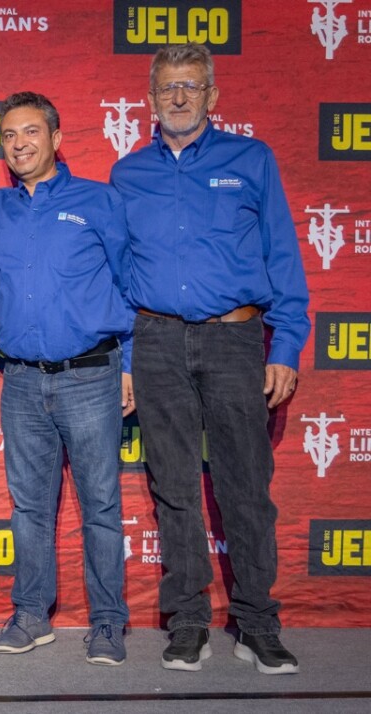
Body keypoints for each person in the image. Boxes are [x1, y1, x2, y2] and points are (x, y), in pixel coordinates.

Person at [110, 43, 309, 675]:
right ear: (151, 96)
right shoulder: (127, 174)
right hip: (158, 340)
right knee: (173, 488)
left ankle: (257, 623)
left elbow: (284, 259)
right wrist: (126, 359)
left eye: (190, 87)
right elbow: (117, 275)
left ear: (212, 96)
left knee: (245, 485)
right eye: (167, 87)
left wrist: (285, 344)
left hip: (235, 340)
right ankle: (188, 622)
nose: (177, 97)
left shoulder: (251, 160)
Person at [0, 91, 133, 666]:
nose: (19, 144)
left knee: (100, 504)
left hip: (90, 376)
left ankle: (108, 623)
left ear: (56, 138)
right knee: (29, 508)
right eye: (8, 136)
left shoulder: (99, 201)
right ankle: (30, 615)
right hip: (21, 381)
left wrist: (128, 366)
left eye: (30, 132)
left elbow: (130, 286)